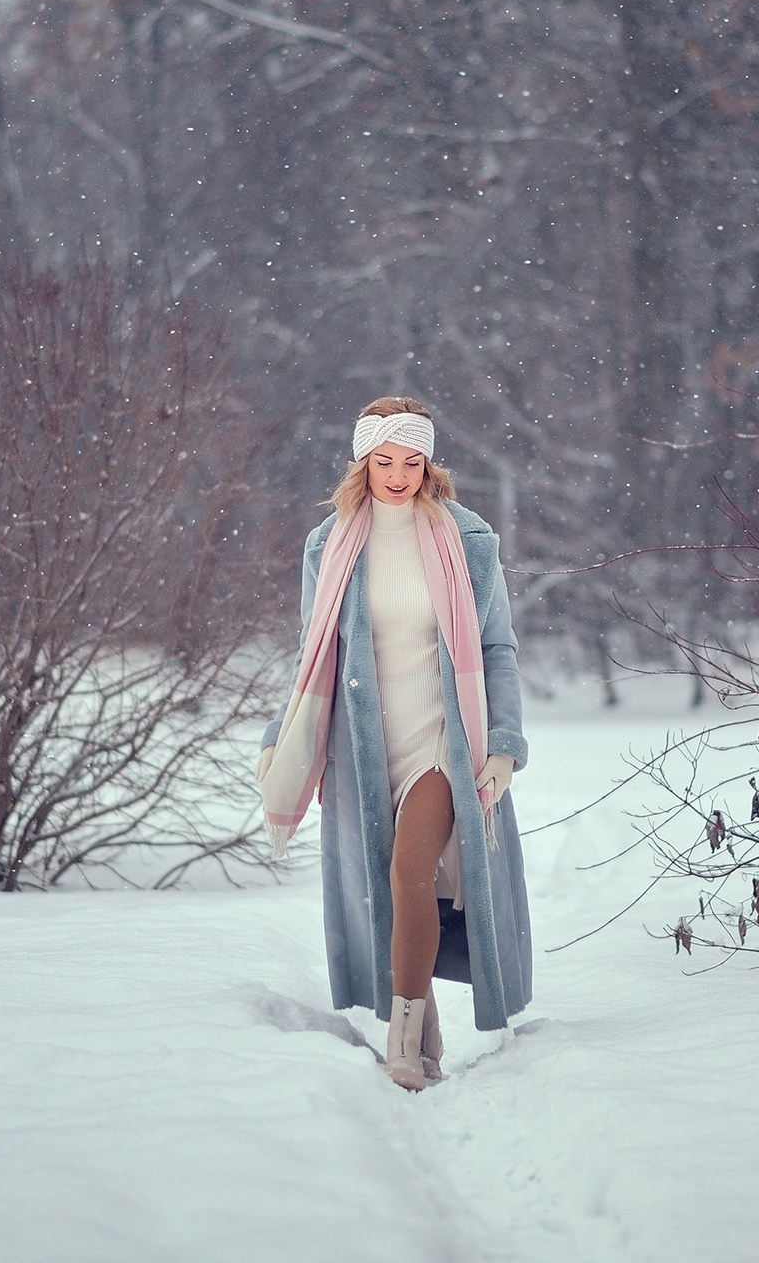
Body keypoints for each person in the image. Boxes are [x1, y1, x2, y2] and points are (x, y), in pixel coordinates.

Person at [257, 396, 532, 1090]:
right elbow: (313, 651)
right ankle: (425, 1015)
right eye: (385, 461)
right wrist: (280, 736)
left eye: (413, 461)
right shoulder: (330, 544)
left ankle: (402, 1042)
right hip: (364, 746)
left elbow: (496, 646)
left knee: (411, 871)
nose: (399, 475)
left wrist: (502, 741)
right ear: (362, 462)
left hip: (445, 738)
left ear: (430, 463)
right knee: (384, 888)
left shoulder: (469, 541)